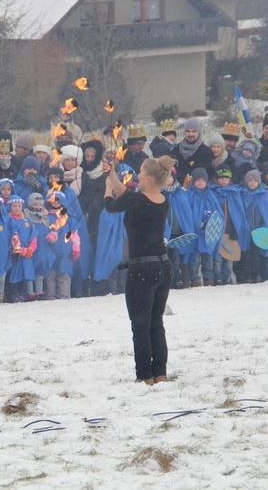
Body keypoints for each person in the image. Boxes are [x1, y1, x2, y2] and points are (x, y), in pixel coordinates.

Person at [104, 154, 176, 386]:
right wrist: (113, 176)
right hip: (163, 266)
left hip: (141, 268)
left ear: (147, 177)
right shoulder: (163, 200)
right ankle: (160, 373)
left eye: (139, 174)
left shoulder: (136, 201)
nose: (136, 177)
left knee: (140, 324)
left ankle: (144, 376)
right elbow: (127, 196)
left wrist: (108, 187)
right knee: (156, 322)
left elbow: (113, 205)